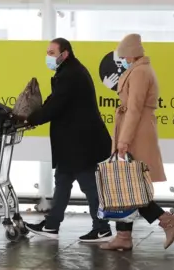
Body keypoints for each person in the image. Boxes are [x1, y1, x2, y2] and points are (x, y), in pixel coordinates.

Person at [24, 38, 113, 242]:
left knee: (89, 185)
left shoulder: (71, 75)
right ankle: (51, 225)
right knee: (63, 182)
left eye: (52, 53)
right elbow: (54, 101)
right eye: (48, 52)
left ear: (65, 54)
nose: (49, 57)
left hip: (81, 144)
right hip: (74, 143)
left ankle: (102, 228)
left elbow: (56, 105)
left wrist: (31, 119)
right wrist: (33, 118)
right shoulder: (68, 72)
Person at [100, 34, 174, 251]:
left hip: (135, 133)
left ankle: (166, 220)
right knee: (126, 185)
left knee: (130, 186)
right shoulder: (139, 70)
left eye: (123, 54)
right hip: (134, 130)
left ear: (130, 53)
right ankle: (123, 236)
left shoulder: (140, 72)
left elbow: (134, 109)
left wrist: (124, 141)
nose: (122, 59)